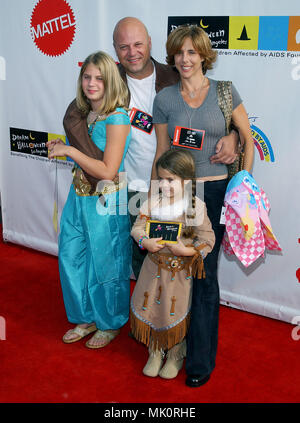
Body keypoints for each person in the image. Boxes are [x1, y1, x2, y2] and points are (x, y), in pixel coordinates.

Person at [63, 17, 238, 282]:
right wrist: (100, 165)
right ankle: (141, 315)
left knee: (177, 259)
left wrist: (234, 135)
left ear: (150, 44)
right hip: (128, 185)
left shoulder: (175, 73)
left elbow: (215, 111)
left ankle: (173, 319)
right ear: (115, 50)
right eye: (123, 47)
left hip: (173, 185)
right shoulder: (109, 78)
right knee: (137, 256)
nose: (132, 53)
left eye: (138, 44)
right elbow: (72, 117)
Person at [152, 25, 254, 386]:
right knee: (173, 271)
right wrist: (154, 198)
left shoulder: (225, 92)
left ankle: (199, 362)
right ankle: (171, 347)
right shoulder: (164, 98)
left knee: (204, 275)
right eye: (179, 52)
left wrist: (237, 153)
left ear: (203, 56)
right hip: (177, 196)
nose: (185, 59)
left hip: (214, 195)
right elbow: (162, 152)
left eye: (192, 52)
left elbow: (248, 139)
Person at [47, 51, 132, 348]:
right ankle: (86, 316)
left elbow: (108, 171)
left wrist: (70, 151)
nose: (92, 83)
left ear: (110, 81)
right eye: (87, 77)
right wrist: (63, 144)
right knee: (71, 256)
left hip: (107, 200)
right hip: (78, 195)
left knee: (106, 263)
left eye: (99, 78)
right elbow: (84, 156)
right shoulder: (81, 112)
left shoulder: (118, 117)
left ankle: (109, 321)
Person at [130, 149, 215, 379]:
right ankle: (155, 351)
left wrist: (185, 250)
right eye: (161, 179)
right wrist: (144, 241)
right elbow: (137, 227)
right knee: (153, 308)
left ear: (186, 180)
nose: (165, 186)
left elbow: (208, 240)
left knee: (173, 309)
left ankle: (176, 353)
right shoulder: (151, 203)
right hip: (152, 269)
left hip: (179, 276)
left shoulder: (196, 207)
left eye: (171, 180)